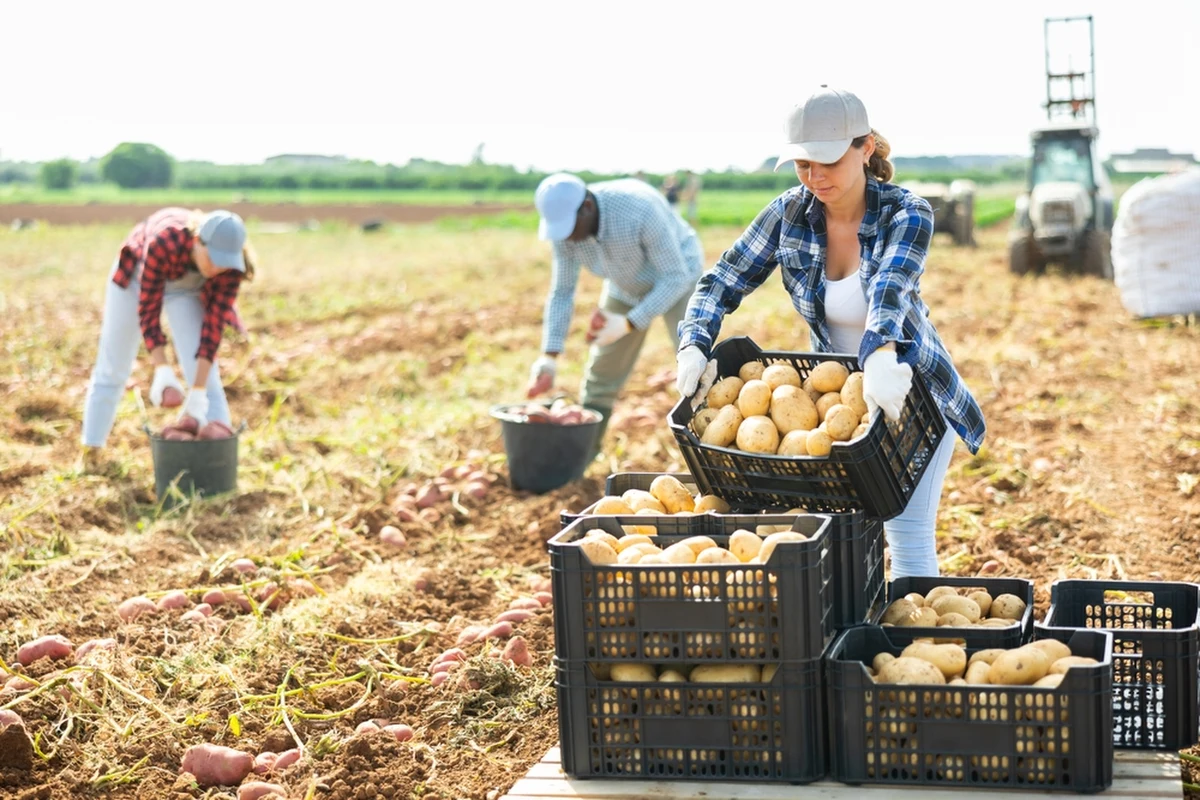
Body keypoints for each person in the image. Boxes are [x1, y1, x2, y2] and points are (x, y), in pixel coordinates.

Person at [674, 86, 986, 579]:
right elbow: (721, 281)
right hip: (836, 403)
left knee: (905, 538)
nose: (815, 178)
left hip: (908, 393)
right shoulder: (789, 214)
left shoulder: (907, 212)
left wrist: (880, 351)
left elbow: (891, 287)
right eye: (803, 165)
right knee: (842, 543)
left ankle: (913, 643)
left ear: (865, 149)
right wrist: (693, 342)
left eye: (828, 162)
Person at [527, 172, 704, 455]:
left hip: (679, 278)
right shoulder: (565, 233)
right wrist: (549, 357)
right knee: (600, 375)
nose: (569, 238)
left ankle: (715, 452)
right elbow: (562, 291)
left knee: (696, 366)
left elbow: (674, 277)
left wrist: (630, 322)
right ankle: (582, 456)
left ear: (586, 206)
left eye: (571, 228)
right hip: (624, 286)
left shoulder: (638, 209)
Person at [80, 208, 255, 471]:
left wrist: (197, 392)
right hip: (137, 279)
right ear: (197, 241)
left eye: (225, 262)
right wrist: (162, 371)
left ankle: (218, 464)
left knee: (208, 379)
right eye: (213, 258)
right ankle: (91, 452)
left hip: (187, 287)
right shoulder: (165, 241)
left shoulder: (229, 269)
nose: (218, 267)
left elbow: (212, 331)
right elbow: (148, 310)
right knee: (113, 366)